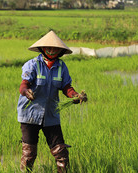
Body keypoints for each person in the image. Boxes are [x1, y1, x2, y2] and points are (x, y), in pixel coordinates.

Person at [17, 30, 87, 173]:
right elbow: (24, 85)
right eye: (49, 47)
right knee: (29, 153)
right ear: (42, 48)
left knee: (61, 152)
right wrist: (26, 92)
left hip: (51, 115)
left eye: (55, 48)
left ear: (60, 51)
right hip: (30, 114)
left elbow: (66, 87)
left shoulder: (61, 67)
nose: (52, 50)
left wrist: (76, 95)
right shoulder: (33, 65)